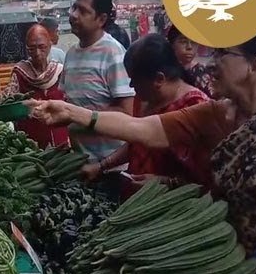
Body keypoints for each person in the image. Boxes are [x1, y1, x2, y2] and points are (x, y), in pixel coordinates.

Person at [28, 35, 256, 274]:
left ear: (255, 66)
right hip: (220, 252)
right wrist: (74, 112)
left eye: (222, 54)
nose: (210, 63)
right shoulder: (211, 114)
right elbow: (142, 129)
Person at [80, 33, 210, 196]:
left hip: (171, 209)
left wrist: (164, 182)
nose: (131, 85)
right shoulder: (143, 100)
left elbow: (206, 177)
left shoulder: (196, 108)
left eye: (135, 79)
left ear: (159, 79)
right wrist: (101, 166)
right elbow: (136, 143)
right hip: (135, 200)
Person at [61, 0, 135, 183]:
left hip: (112, 170)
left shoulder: (114, 54)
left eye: (83, 11)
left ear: (101, 19)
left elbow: (128, 114)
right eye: (74, 7)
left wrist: (103, 166)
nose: (74, 15)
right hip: (82, 166)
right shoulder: (71, 55)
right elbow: (72, 107)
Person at [0, 23, 69, 149]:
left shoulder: (60, 71)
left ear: (49, 45)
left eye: (41, 47)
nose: (37, 53)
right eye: (32, 49)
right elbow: (6, 105)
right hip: (29, 143)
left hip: (61, 139)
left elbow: (71, 104)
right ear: (26, 49)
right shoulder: (20, 72)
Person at [167, 24, 215, 98]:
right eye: (183, 42)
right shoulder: (164, 73)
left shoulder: (201, 73)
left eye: (194, 42)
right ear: (171, 44)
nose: (189, 47)